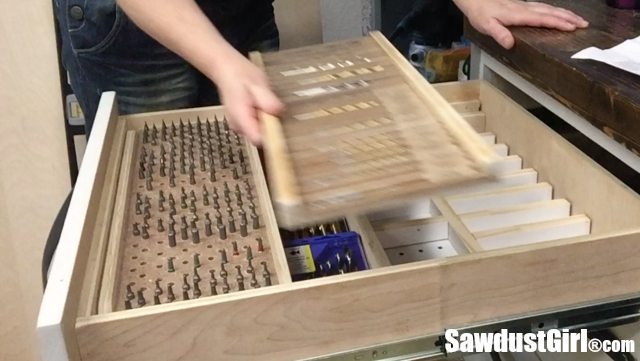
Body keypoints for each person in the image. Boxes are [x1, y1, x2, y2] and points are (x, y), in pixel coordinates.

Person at [54, 0, 588, 143]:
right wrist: (221, 61)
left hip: (238, 11)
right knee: (165, 195)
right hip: (129, 23)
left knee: (258, 164)